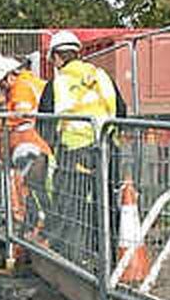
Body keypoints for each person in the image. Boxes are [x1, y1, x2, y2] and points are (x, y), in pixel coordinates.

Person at [37, 30, 127, 258]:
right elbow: (122, 111)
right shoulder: (101, 76)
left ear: (57, 57)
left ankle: (72, 260)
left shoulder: (57, 83)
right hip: (108, 150)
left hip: (75, 153)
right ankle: (109, 259)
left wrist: (56, 146)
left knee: (70, 206)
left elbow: (43, 124)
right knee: (105, 205)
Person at [0, 49, 51, 244]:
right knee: (31, 190)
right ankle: (29, 231)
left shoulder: (21, 88)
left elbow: (21, 116)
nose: (1, 86)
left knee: (27, 189)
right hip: (33, 146)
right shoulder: (22, 85)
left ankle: (30, 232)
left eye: (1, 81)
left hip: (32, 146)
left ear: (9, 75)